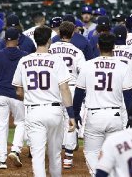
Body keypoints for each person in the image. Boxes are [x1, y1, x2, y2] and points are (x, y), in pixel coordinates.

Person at [12, 25, 76, 177]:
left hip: (34, 111)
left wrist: (32, 95)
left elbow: (19, 91)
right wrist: (71, 115)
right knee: (54, 155)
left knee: (38, 156)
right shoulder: (57, 60)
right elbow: (65, 89)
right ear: (49, 40)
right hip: (54, 111)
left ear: (35, 40)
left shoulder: (24, 61)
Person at [73, 33, 132, 176]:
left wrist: (75, 114)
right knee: (116, 156)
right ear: (113, 47)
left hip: (94, 116)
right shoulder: (123, 66)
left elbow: (78, 94)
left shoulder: (88, 66)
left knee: (91, 152)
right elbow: (129, 98)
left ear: (98, 46)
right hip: (115, 116)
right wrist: (131, 118)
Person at [49, 21, 86, 169]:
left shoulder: (50, 49)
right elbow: (83, 72)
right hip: (70, 87)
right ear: (72, 34)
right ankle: (68, 158)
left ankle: (55, 154)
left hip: (52, 88)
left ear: (59, 33)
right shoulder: (77, 52)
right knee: (70, 121)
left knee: (54, 121)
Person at [0, 28, 27, 169]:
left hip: (0, 94)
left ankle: (1, 160)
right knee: (21, 122)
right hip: (17, 95)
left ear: (5, 40)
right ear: (17, 39)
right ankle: (15, 150)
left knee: (1, 127)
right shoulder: (24, 56)